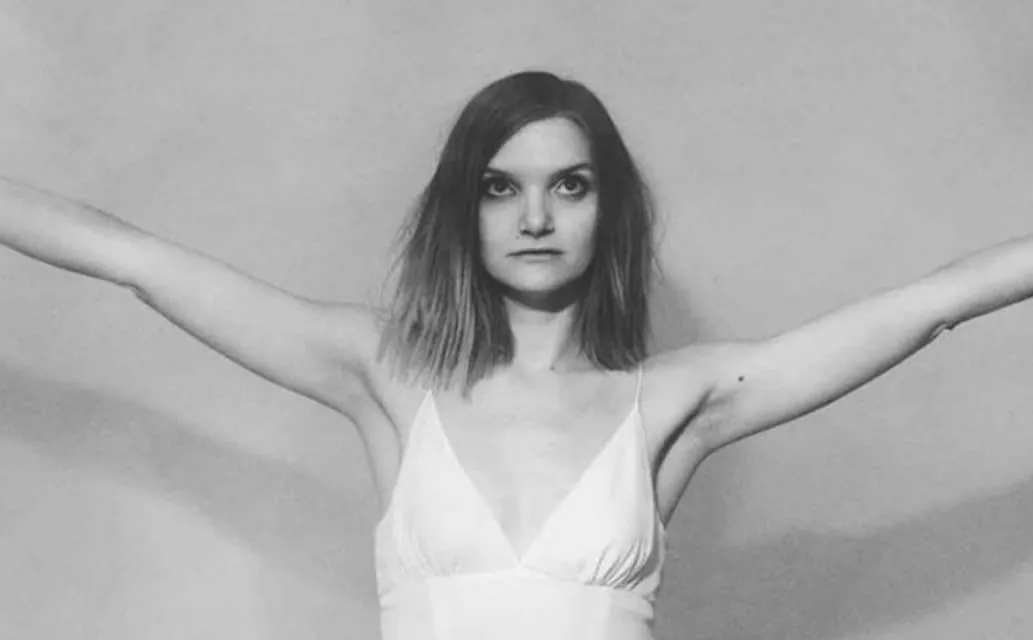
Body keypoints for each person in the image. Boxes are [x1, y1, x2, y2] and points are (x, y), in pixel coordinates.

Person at [0, 70, 1031, 639]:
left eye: (568, 185)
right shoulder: (385, 372)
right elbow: (131, 258)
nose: (535, 216)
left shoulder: (680, 397)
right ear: (466, 208)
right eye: (501, 186)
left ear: (607, 209)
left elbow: (934, 302)